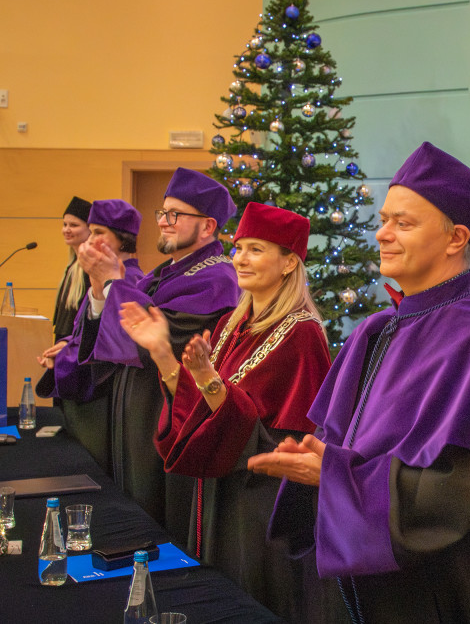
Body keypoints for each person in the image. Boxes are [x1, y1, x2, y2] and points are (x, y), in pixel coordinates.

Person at [249, 141, 470, 623]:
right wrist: (320, 465)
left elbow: (455, 499)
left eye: (403, 223)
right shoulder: (377, 330)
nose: (382, 233)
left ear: (455, 238)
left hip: (435, 598)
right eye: (384, 220)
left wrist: (333, 476)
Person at [117, 202, 331, 621]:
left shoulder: (302, 334)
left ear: (289, 262)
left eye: (256, 249)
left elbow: (280, 438)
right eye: (239, 248)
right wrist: (162, 353)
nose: (240, 259)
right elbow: (201, 411)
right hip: (219, 490)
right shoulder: (231, 325)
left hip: (259, 503)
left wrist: (208, 379)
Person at [76, 167, 239, 541]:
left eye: (175, 214)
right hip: (136, 407)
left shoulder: (218, 278)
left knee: (156, 522)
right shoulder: (166, 272)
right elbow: (122, 329)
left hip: (163, 413)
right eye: (162, 213)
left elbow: (163, 338)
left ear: (208, 226)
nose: (163, 222)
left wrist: (113, 282)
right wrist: (100, 289)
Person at [36, 199, 144, 472]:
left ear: (122, 239)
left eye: (99, 233)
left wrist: (70, 354)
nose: (90, 240)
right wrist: (67, 345)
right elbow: (87, 329)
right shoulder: (99, 277)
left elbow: (117, 346)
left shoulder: (131, 281)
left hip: (102, 403)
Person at [51, 196, 92, 340]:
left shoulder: (91, 267)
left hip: (76, 342)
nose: (66, 230)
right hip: (63, 340)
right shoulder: (72, 266)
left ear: (90, 229)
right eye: (65, 224)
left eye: (74, 225)